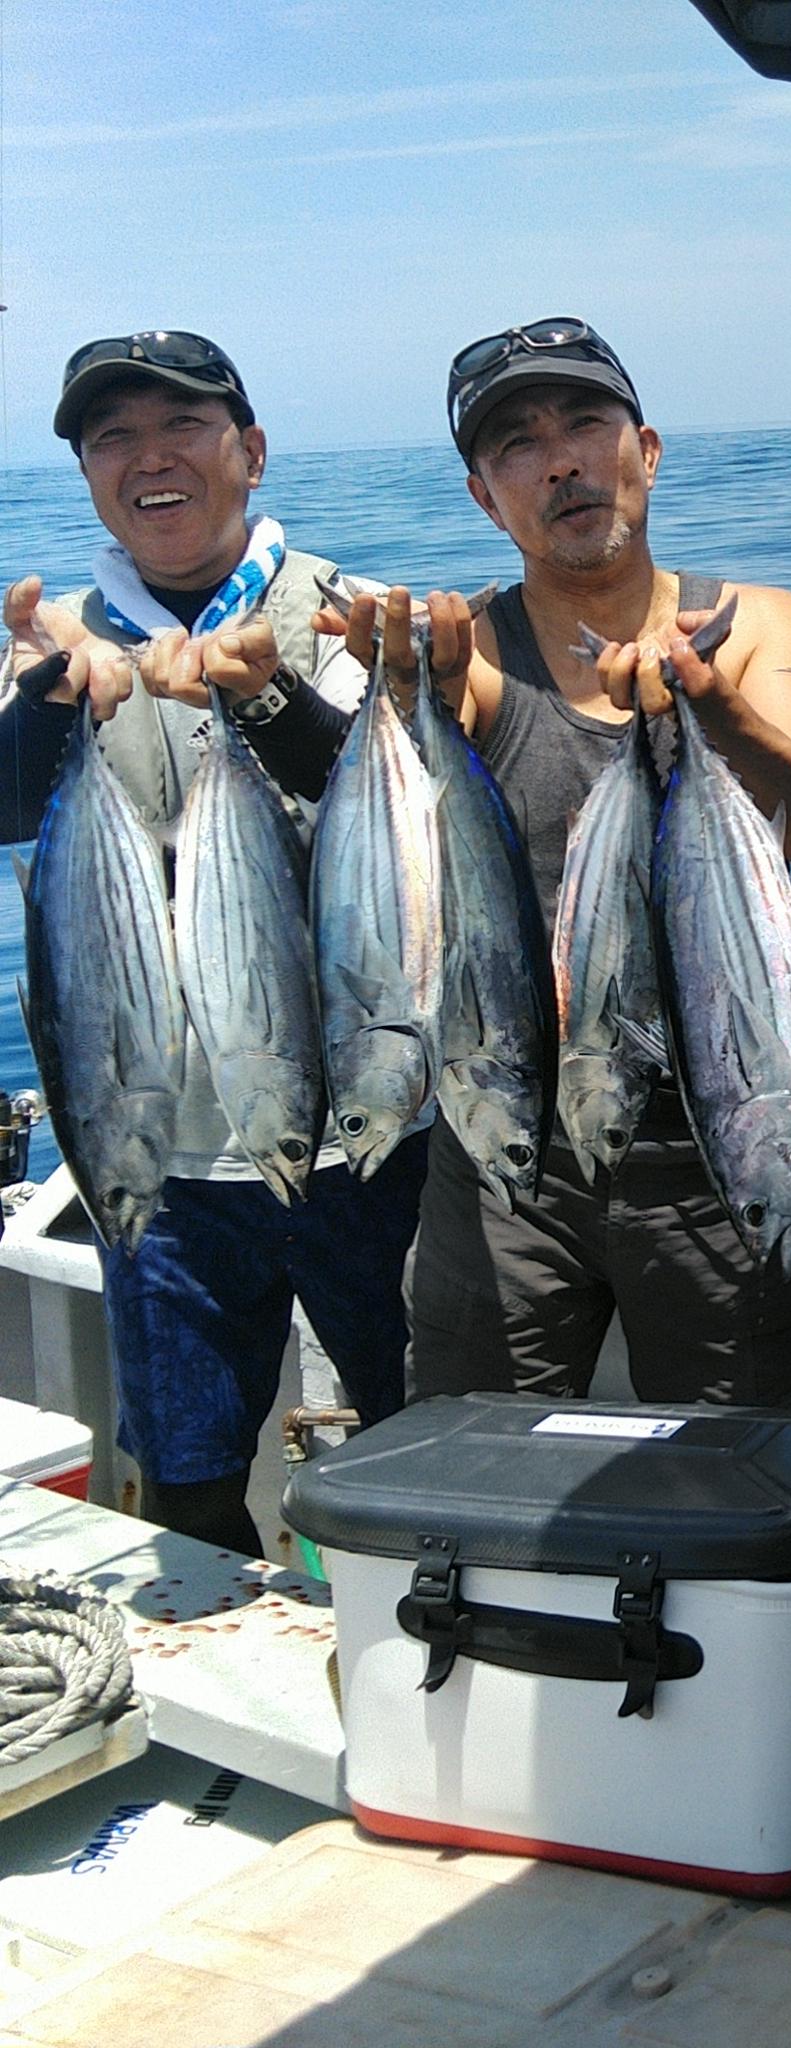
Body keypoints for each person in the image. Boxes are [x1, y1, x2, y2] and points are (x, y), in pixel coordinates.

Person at [0, 330, 423, 1555]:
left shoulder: (349, 614)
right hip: (170, 1162)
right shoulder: (50, 636)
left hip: (373, 1146)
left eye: (182, 425)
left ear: (251, 450)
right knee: (186, 1479)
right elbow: (6, 805)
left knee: (419, 1452)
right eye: (113, 438)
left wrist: (263, 694)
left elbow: (391, 807)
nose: (150, 458)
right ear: (88, 473)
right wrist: (46, 702)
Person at [355, 316, 791, 1406]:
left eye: (583, 423)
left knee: (731, 1469)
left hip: (722, 1147)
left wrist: (711, 711)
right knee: (477, 1460)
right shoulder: (471, 653)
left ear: (646, 452)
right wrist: (406, 695)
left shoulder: (757, 624)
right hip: (509, 1147)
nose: (561, 461)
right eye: (517, 444)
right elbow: (404, 815)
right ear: (485, 498)